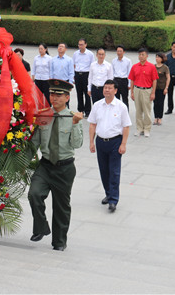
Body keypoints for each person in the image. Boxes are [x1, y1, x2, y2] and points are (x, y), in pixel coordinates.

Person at [28, 79, 83, 251]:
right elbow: (35, 142)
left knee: (61, 207)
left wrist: (75, 124)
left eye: (59, 95)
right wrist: (23, 162)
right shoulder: (44, 115)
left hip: (65, 168)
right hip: (45, 165)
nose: (54, 98)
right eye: (52, 94)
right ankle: (41, 227)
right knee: (34, 194)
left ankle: (59, 242)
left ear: (67, 97)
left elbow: (77, 144)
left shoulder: (73, 117)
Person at [88, 79, 131, 213]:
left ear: (115, 90)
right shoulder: (97, 105)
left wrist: (123, 144)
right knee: (104, 170)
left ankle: (113, 200)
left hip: (115, 142)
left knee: (114, 171)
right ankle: (108, 193)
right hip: (101, 142)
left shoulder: (121, 107)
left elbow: (126, 126)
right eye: (105, 87)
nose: (106, 90)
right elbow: (92, 124)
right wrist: (91, 142)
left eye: (110, 88)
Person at [128, 48, 158, 137]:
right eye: (139, 55)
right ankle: (139, 128)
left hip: (147, 90)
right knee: (138, 111)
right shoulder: (134, 66)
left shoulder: (151, 66)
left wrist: (153, 92)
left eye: (143, 55)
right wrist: (132, 92)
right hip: (137, 90)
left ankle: (147, 129)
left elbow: (154, 80)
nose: (141, 56)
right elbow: (132, 80)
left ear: (147, 56)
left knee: (147, 111)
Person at [73, 38, 95, 117]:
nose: (80, 46)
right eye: (79, 44)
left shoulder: (90, 54)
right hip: (78, 74)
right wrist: (74, 76)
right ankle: (80, 110)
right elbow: (74, 65)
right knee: (79, 93)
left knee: (87, 93)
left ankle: (88, 111)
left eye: (82, 44)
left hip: (86, 74)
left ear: (86, 44)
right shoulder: (75, 54)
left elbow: (92, 66)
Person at [111, 45, 132, 109]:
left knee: (125, 98)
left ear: (123, 52)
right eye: (118, 51)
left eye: (120, 51)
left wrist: (129, 84)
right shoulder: (114, 61)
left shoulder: (128, 61)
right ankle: (116, 112)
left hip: (124, 81)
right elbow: (112, 72)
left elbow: (129, 73)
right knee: (115, 99)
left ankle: (125, 113)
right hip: (116, 80)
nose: (119, 53)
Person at [153, 52, 170, 126]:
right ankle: (155, 117)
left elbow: (168, 78)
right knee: (155, 103)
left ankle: (160, 117)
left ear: (162, 59)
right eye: (156, 57)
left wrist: (166, 88)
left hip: (162, 88)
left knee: (160, 103)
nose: (157, 58)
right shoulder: (153, 66)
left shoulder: (165, 67)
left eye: (158, 57)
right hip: (154, 88)